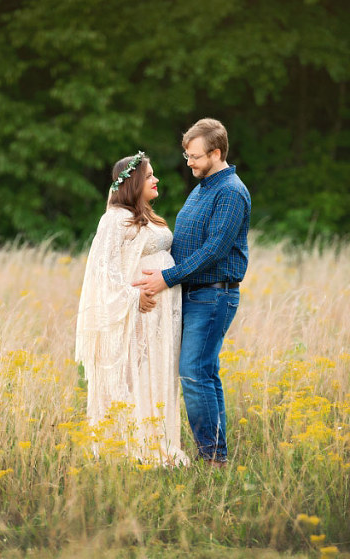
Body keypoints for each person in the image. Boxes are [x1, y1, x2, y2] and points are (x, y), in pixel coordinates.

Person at [133, 118, 251, 467]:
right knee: (204, 371)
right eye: (186, 156)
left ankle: (214, 458)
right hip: (195, 293)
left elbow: (215, 249)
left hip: (214, 295)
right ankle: (216, 454)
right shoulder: (203, 186)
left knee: (193, 372)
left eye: (195, 156)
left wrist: (168, 277)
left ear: (216, 153)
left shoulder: (230, 191)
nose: (189, 163)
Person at [76, 152, 189, 466]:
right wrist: (132, 297)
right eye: (150, 175)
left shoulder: (145, 215)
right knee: (137, 372)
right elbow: (103, 269)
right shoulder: (114, 218)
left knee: (156, 370)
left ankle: (159, 439)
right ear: (134, 182)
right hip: (138, 313)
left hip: (160, 317)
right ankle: (132, 445)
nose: (156, 180)